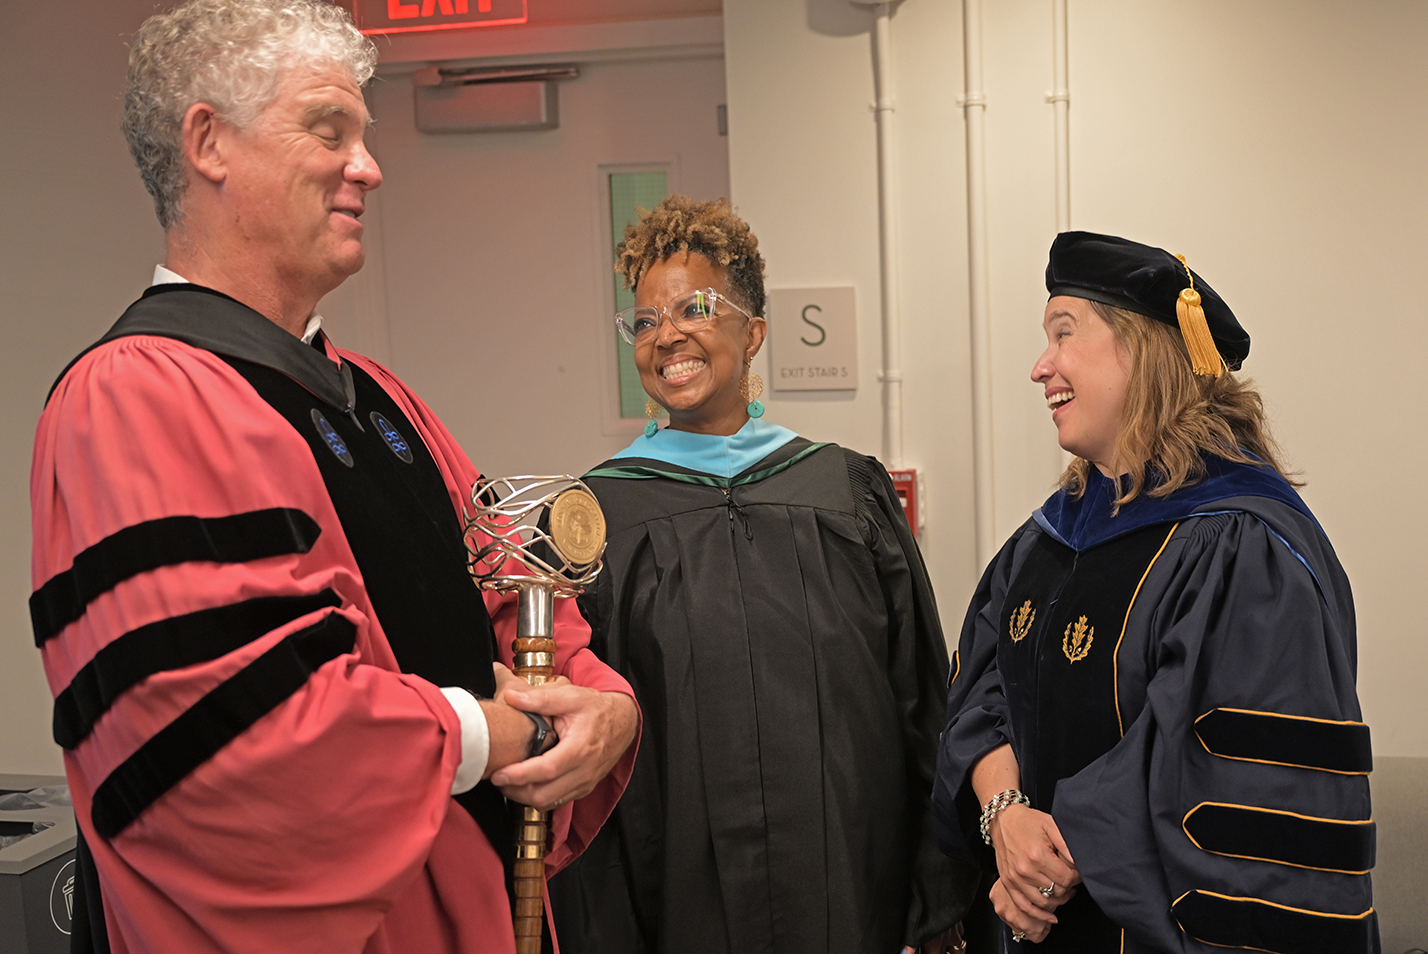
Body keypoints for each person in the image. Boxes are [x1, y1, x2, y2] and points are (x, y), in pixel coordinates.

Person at [29, 2, 639, 952]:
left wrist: (598, 702)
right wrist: (488, 734)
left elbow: (516, 597)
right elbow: (231, 732)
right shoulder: (137, 394)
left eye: (365, 135)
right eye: (329, 130)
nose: (370, 166)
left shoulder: (378, 398)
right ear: (209, 143)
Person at [547, 196, 974, 954]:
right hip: (677, 901)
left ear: (755, 331)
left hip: (851, 887)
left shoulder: (844, 492)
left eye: (695, 308)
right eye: (643, 321)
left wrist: (937, 897)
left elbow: (921, 700)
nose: (666, 334)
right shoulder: (601, 515)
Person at [933, 231, 1377, 952]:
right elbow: (981, 692)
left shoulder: (1243, 548)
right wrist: (1005, 812)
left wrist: (1047, 856)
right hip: (1036, 922)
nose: (1039, 366)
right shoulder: (1045, 542)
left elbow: (1236, 787)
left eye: (1063, 333)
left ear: (1141, 348)